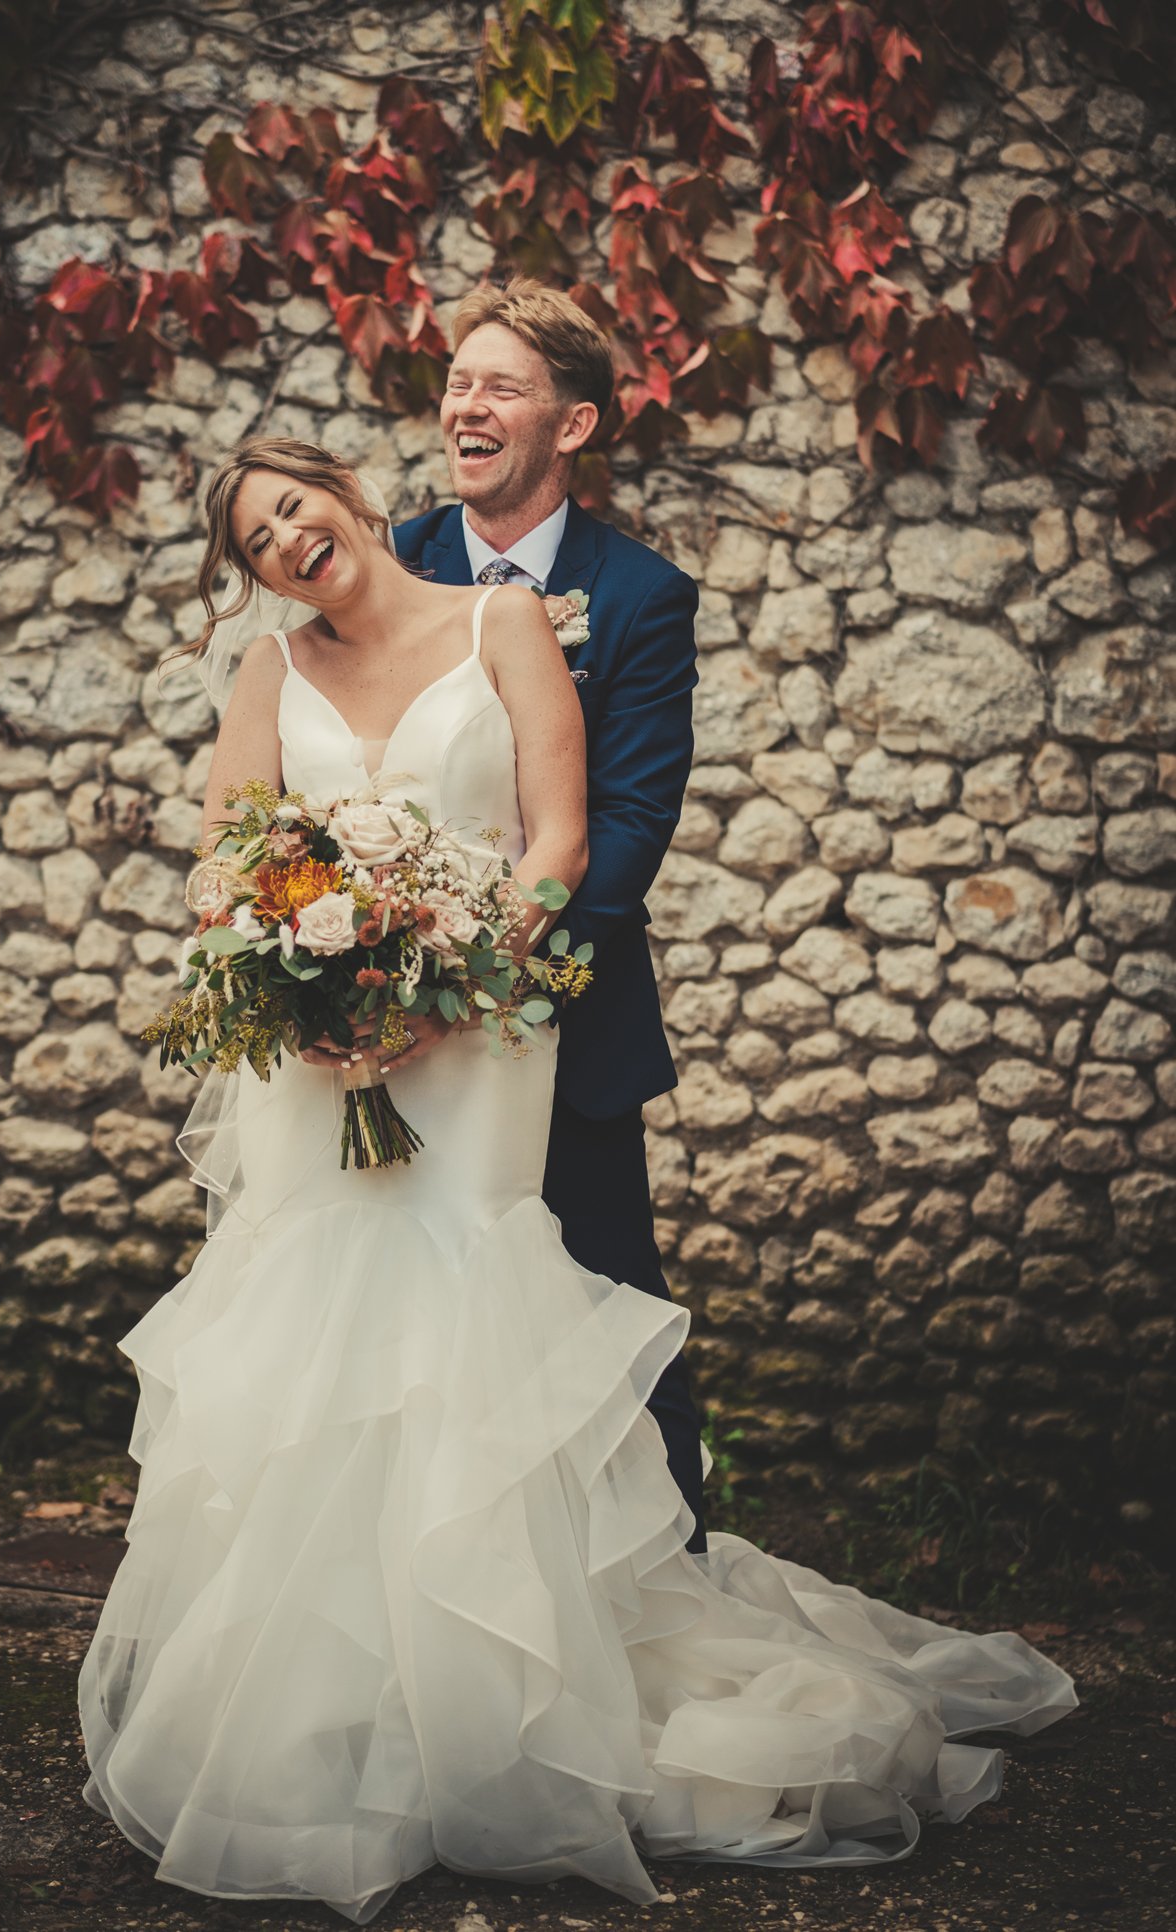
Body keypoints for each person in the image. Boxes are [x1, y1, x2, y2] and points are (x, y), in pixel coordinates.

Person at [77, 429, 1077, 1924]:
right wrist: (301, 980)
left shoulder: (505, 623)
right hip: (319, 1058)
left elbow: (557, 841)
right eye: (258, 542)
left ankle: (497, 1710)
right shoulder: (270, 673)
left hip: (479, 1035)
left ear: (349, 497)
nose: (287, 542)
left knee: (462, 1323)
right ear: (255, 575)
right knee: (316, 1340)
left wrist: (449, 981)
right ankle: (330, 1719)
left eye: (295, 507)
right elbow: (227, 860)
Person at [393, 277, 709, 1553]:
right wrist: (375, 959)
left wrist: (490, 972)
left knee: (606, 1306)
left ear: (572, 425)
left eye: (501, 388)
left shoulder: (638, 596)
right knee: (396, 1307)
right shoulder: (388, 564)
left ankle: (668, 1572)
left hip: (559, 1015)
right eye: (458, 382)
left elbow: (626, 828)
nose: (466, 407)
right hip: (385, 1010)